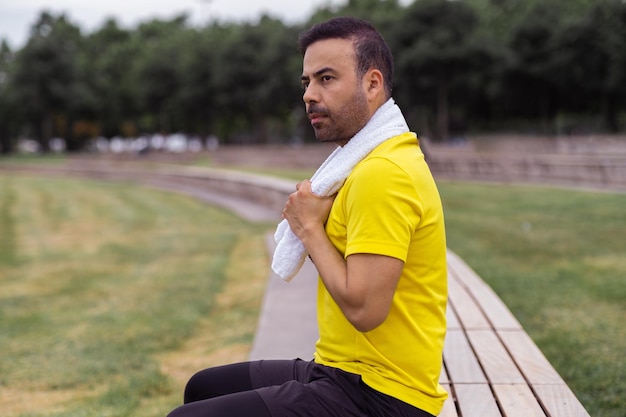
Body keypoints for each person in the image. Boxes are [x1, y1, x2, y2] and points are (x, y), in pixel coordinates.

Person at [167, 16, 448, 417]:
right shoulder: (365, 164)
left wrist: (309, 228)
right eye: (306, 83)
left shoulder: (383, 174)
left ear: (372, 83)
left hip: (384, 397)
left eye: (327, 79)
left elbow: (366, 311)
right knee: (202, 388)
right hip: (343, 371)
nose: (309, 95)